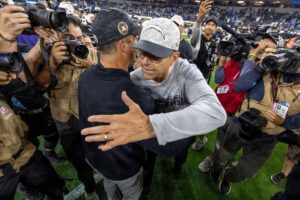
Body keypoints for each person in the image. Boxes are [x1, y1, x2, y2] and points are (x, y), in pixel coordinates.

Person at [81, 16, 227, 153]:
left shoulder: (187, 72)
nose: (144, 62)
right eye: (142, 53)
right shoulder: (136, 78)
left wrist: (152, 126)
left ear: (174, 57)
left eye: (155, 56)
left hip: (181, 134)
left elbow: (216, 113)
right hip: (154, 139)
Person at [211, 39, 300, 195]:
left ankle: (228, 178)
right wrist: (260, 66)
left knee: (247, 170)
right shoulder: (269, 68)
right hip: (241, 123)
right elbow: (240, 86)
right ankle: (216, 169)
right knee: (222, 154)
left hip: (267, 137)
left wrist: (285, 121)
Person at [0, 5, 65, 200]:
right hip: (3, 169)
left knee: (54, 188)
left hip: (23, 149)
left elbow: (25, 83)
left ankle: (34, 189)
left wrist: (43, 45)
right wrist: (5, 40)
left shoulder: (17, 52)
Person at [49, 14, 99, 200]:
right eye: (70, 39)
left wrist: (92, 65)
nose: (76, 44)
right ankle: (90, 188)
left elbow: (110, 82)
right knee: (77, 161)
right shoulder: (48, 56)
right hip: (64, 122)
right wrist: (53, 63)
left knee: (96, 155)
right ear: (58, 39)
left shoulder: (91, 54)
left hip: (88, 120)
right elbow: (39, 85)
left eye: (79, 38)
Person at [190, 0, 218, 151]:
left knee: (200, 112)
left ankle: (201, 137)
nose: (211, 26)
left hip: (203, 82)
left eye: (214, 25)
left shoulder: (215, 44)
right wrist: (199, 18)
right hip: (190, 80)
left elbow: (214, 62)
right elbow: (195, 31)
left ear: (215, 29)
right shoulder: (197, 38)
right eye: (209, 23)